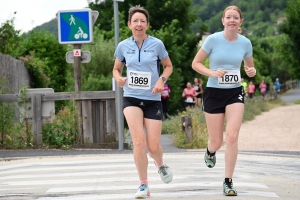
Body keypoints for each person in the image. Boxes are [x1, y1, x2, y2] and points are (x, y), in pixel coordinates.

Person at [191, 5, 256, 196]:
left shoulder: (245, 43)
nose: (232, 20)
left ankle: (228, 181)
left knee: (233, 136)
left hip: (234, 91)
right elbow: (195, 63)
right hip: (213, 92)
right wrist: (212, 72)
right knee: (217, 141)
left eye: (236, 17)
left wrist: (251, 71)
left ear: (240, 22)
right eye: (229, 17)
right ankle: (211, 151)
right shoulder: (212, 40)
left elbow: (249, 68)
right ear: (223, 20)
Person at [112, 5, 173, 199]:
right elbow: (116, 69)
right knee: (138, 142)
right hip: (131, 97)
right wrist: (118, 78)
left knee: (153, 147)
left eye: (143, 21)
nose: (139, 24)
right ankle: (143, 185)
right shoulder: (123, 46)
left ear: (148, 24)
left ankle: (160, 163)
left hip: (152, 100)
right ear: (129, 24)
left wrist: (161, 81)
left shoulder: (157, 45)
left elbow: (168, 67)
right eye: (135, 21)